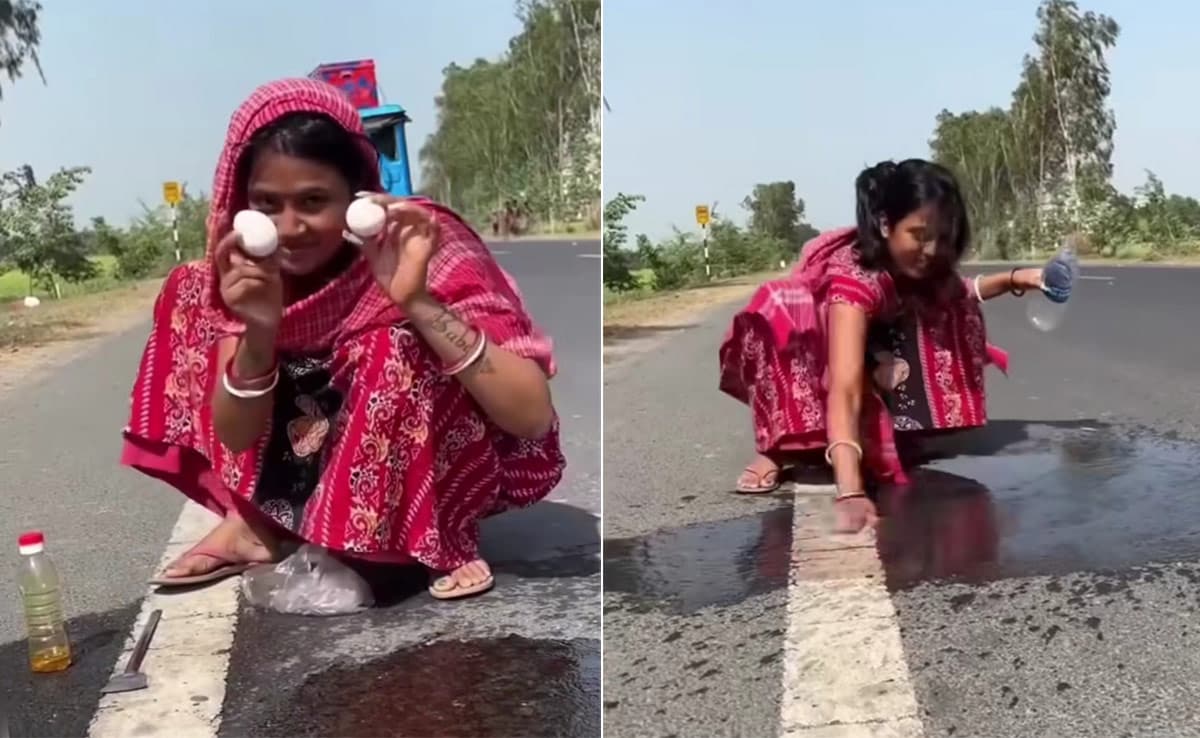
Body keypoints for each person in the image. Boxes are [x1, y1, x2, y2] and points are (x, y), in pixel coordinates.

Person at [121, 78, 564, 600]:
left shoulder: (419, 243)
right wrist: (260, 332)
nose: (289, 229)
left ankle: (430, 530)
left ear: (357, 199)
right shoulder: (245, 266)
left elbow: (531, 416)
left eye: (313, 201)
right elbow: (236, 436)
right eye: (267, 204)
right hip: (307, 435)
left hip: (430, 458)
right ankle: (259, 523)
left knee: (393, 344)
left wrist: (417, 301)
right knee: (190, 289)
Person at [719, 158, 1048, 533]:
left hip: (871, 341)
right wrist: (850, 493)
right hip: (808, 338)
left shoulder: (917, 266)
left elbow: (962, 291)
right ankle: (774, 449)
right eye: (920, 235)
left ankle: (874, 431)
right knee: (779, 313)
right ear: (886, 225)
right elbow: (843, 387)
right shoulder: (854, 279)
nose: (932, 249)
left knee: (950, 312)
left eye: (943, 236)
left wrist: (1019, 278)